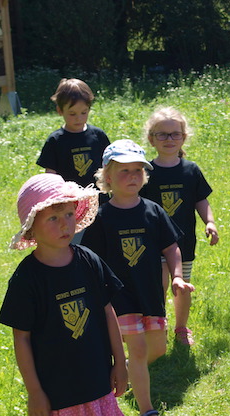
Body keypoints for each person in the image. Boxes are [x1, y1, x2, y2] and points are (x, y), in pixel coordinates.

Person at [0, 173, 127, 415]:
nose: (65, 224)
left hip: (98, 382)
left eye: (68, 214)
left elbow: (108, 311)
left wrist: (120, 362)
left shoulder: (89, 260)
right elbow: (21, 338)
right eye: (53, 218)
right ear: (31, 229)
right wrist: (35, 392)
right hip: (58, 393)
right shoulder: (27, 278)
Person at [81, 139, 195, 416]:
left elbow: (171, 247)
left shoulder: (153, 211)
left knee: (157, 348)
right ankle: (147, 409)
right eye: (124, 171)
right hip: (120, 296)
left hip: (150, 292)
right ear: (107, 177)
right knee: (140, 349)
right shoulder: (101, 217)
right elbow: (91, 260)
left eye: (138, 170)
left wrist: (177, 277)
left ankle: (126, 369)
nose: (133, 176)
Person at [140, 107, 219, 346]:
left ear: (183, 137)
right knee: (160, 286)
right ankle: (159, 325)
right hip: (154, 243)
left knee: (182, 286)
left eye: (175, 134)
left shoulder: (190, 170)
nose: (169, 139)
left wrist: (210, 222)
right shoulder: (145, 172)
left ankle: (181, 328)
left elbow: (200, 200)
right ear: (151, 139)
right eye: (162, 134)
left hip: (183, 242)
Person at [36, 78, 110, 208]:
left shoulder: (98, 136)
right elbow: (50, 176)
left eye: (84, 112)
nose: (78, 118)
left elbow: (109, 165)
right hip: (69, 202)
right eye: (72, 113)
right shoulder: (55, 140)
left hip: (98, 199)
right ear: (60, 111)